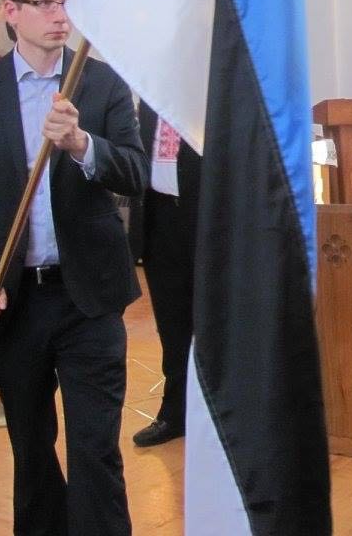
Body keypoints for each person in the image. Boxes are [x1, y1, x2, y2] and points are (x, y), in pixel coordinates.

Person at [0, 0, 148, 536]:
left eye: (67, 3)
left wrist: (80, 143)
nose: (60, 16)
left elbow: (132, 172)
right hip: (12, 302)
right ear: (11, 11)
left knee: (95, 448)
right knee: (31, 448)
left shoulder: (100, 83)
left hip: (88, 301)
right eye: (45, 2)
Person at [128, 100, 198, 447]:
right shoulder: (152, 95)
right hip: (158, 220)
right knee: (172, 327)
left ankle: (221, 417)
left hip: (206, 220)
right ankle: (175, 413)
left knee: (214, 325)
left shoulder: (208, 89)